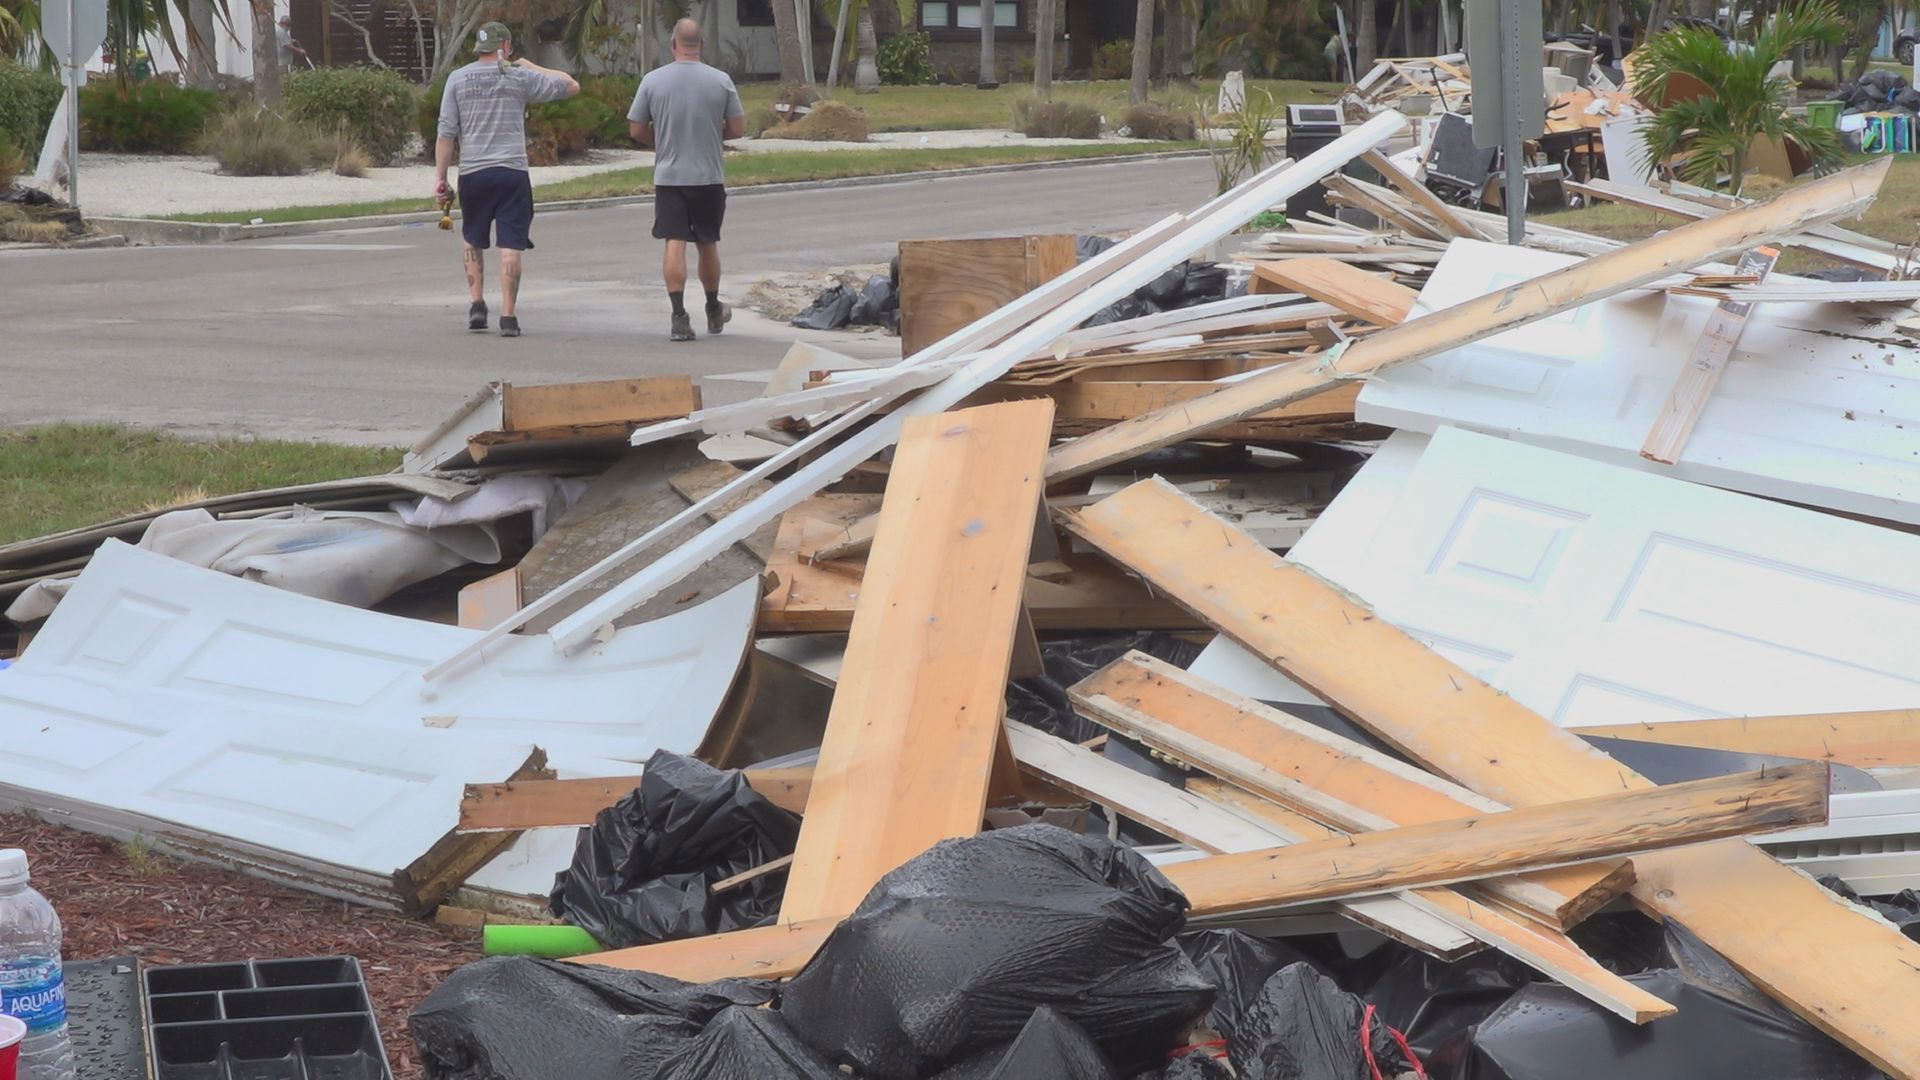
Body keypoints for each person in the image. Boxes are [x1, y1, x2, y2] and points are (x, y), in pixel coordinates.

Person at [434, 22, 579, 338]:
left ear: (479, 48)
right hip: (511, 171)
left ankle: (476, 304)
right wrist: (530, 65)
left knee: (473, 238)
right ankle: (509, 316)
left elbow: (446, 134)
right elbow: (570, 85)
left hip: (473, 172)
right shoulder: (518, 76)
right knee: (511, 243)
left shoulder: (457, 80)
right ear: (507, 46)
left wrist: (441, 179)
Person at [627, 18, 745, 342]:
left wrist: (661, 139)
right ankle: (712, 308)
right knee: (708, 242)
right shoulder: (721, 81)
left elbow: (636, 129)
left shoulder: (653, 81)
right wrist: (711, 134)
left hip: (670, 177)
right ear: (701, 45)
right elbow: (737, 128)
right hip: (708, 176)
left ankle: (679, 316)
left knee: (674, 241)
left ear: (673, 44)